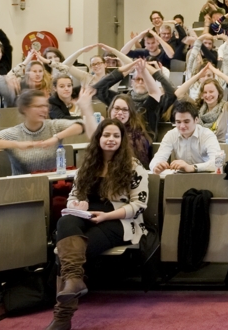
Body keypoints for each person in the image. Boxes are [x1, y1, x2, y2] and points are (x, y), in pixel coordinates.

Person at [48, 118, 151, 330]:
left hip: (119, 221)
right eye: (106, 135)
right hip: (85, 216)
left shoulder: (133, 166)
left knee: (68, 253)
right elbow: (73, 195)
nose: (110, 139)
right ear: (99, 138)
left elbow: (139, 205)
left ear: (122, 140)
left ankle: (62, 317)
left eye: (116, 136)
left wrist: (106, 216)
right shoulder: (88, 164)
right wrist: (76, 204)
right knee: (65, 221)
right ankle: (74, 282)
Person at [0, 88, 86, 174]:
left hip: (53, 185)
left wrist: (56, 137)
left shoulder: (53, 125)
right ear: (25, 109)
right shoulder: (14, 133)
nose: (44, 110)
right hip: (22, 188)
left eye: (45, 106)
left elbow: (82, 124)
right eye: (38, 106)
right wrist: (16, 144)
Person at [91, 53, 174, 137]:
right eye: (137, 79)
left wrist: (152, 71)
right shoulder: (121, 100)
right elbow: (98, 89)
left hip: (141, 143)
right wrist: (126, 70)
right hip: (117, 139)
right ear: (131, 82)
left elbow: (171, 93)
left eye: (144, 79)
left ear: (150, 82)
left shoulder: (156, 101)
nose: (141, 82)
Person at [150, 101, 224, 173]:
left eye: (186, 122)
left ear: (196, 120)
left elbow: (218, 163)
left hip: (205, 178)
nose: (182, 126)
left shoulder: (207, 134)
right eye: (178, 122)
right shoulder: (171, 135)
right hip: (181, 179)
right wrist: (156, 166)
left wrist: (192, 167)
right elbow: (157, 158)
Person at [178, 64, 228, 132]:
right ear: (202, 95)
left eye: (211, 91)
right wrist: (198, 75)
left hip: (220, 142)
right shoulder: (196, 108)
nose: (208, 95)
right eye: (205, 92)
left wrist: (219, 74)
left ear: (218, 92)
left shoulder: (227, 107)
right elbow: (179, 93)